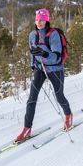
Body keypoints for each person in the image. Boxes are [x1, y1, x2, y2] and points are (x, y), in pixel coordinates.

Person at [16, 8, 73, 142]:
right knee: (31, 98)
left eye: (41, 20)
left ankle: (68, 115)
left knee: (59, 96)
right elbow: (32, 52)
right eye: (36, 20)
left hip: (55, 69)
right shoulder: (32, 35)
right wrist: (32, 64)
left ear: (46, 20)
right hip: (39, 69)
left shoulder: (53, 35)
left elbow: (57, 57)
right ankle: (27, 128)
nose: (38, 22)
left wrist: (45, 54)